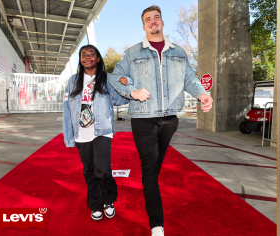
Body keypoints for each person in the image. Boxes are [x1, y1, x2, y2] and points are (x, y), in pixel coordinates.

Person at [109, 5, 213, 236]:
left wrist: (202, 94)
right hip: (143, 119)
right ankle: (157, 225)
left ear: (163, 23)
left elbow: (190, 78)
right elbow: (117, 76)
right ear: (143, 26)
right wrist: (133, 91)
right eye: (148, 19)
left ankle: (150, 191)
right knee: (149, 168)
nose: (153, 21)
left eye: (157, 17)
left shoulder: (179, 52)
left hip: (169, 120)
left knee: (154, 169)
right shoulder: (133, 52)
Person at [63, 45, 129, 221]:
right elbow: (67, 109)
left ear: (98, 58)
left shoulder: (107, 79)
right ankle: (95, 204)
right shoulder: (73, 80)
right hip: (81, 132)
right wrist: (69, 136)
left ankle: (109, 200)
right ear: (81, 59)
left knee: (103, 170)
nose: (87, 57)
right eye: (83, 55)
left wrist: (126, 84)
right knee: (89, 170)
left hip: (102, 130)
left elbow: (119, 100)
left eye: (91, 54)